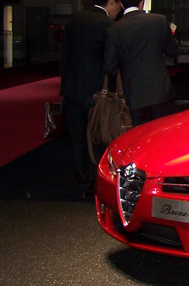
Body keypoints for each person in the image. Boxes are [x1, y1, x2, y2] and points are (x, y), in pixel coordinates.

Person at [59, 0, 123, 198]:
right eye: (118, 6)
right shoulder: (109, 26)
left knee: (77, 138)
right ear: (110, 2)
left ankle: (82, 182)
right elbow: (110, 62)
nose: (119, 10)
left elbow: (64, 55)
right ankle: (101, 181)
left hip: (72, 89)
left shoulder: (74, 20)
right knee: (100, 135)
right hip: (98, 92)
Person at [104, 0, 177, 127]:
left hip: (133, 93)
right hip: (159, 90)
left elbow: (110, 66)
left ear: (121, 4)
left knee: (137, 135)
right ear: (142, 2)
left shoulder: (114, 29)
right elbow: (172, 51)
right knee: (162, 132)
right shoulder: (159, 20)